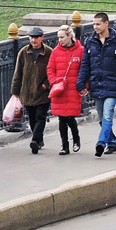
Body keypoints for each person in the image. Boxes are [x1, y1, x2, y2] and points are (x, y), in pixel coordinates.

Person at [77, 11, 116, 157]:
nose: (95, 27)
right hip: (96, 84)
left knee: (107, 115)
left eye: (98, 24)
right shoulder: (90, 41)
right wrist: (80, 83)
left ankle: (101, 143)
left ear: (106, 23)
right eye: (94, 24)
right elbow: (85, 65)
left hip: (112, 85)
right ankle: (112, 142)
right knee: (102, 118)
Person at [10, 27, 52, 154]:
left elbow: (53, 71)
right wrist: (15, 91)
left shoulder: (49, 52)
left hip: (42, 92)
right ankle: (39, 139)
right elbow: (18, 73)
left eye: (36, 37)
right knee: (32, 117)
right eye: (31, 37)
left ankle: (34, 140)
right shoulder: (23, 52)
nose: (34, 40)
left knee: (41, 116)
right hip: (27, 91)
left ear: (42, 37)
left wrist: (47, 84)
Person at [46, 25, 84, 155]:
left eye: (62, 37)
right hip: (60, 90)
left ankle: (76, 138)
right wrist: (54, 81)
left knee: (69, 117)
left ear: (70, 36)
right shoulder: (56, 52)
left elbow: (84, 70)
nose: (60, 40)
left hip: (73, 89)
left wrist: (84, 86)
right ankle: (64, 145)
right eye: (58, 37)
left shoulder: (80, 51)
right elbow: (50, 69)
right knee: (61, 118)